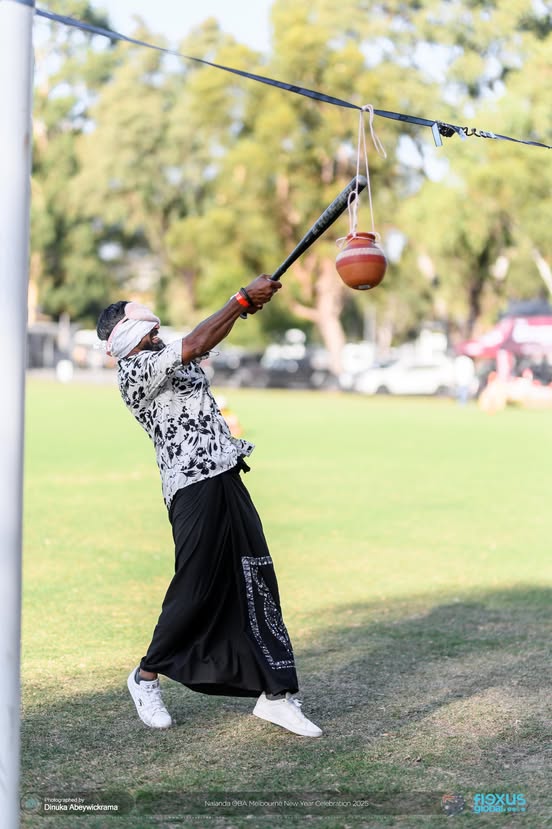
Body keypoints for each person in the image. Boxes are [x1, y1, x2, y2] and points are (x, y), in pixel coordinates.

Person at [96, 276, 322, 738]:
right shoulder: (134, 371)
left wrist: (242, 308)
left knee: (257, 575)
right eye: (144, 322)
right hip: (190, 486)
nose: (155, 325)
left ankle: (277, 696)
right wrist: (239, 299)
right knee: (196, 585)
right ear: (123, 334)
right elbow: (197, 339)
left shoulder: (163, 352)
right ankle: (145, 677)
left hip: (225, 473)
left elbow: (204, 338)